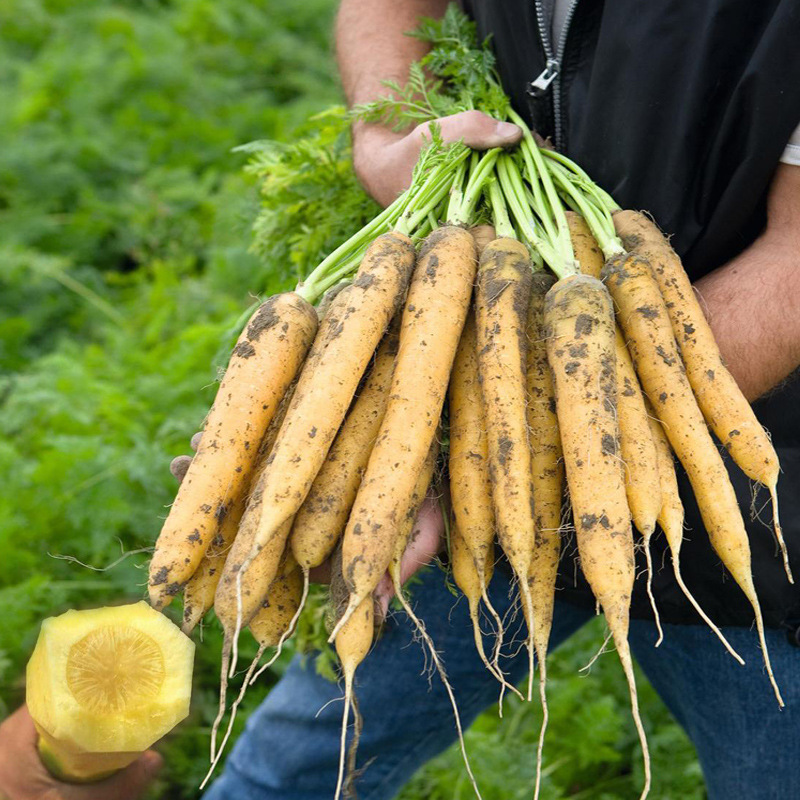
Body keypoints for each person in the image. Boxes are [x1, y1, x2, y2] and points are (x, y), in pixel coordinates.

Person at [3, 2, 799, 798]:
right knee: (284, 773)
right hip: (446, 437)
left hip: (756, 502)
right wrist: (385, 142)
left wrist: (489, 443)